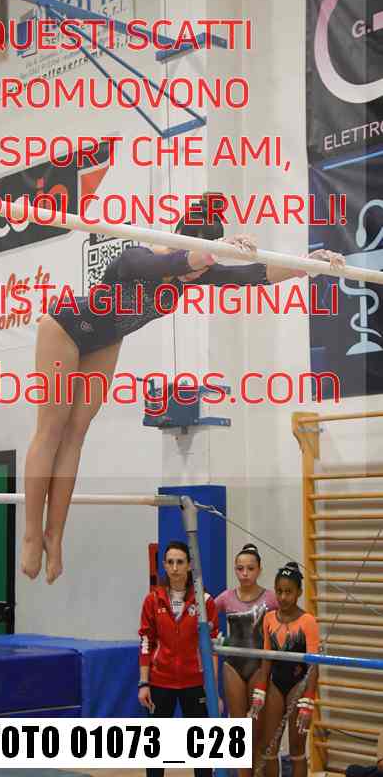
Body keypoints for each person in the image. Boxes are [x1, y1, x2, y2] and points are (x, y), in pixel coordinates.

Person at [22, 194, 346, 583]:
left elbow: (250, 276)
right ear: (182, 243)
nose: (196, 278)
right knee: (52, 429)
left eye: (200, 269)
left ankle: (55, 536)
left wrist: (307, 265)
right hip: (65, 327)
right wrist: (216, 250)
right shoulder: (139, 258)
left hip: (105, 341)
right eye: (198, 263)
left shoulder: (189, 271)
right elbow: (178, 262)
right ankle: (31, 534)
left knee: (76, 433)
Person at [137, 540, 220, 777]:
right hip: (160, 681)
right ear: (164, 565)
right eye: (170, 562)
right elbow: (146, 642)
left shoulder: (205, 601)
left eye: (180, 562)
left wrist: (212, 690)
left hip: (194, 683)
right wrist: (144, 683)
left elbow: (211, 648)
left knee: (201, 748)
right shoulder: (152, 600)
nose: (175, 568)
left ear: (189, 565)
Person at [248, 562, 320, 777]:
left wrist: (309, 700)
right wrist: (261, 688)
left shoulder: (308, 621)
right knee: (269, 746)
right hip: (275, 685)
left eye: (289, 592)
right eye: (279, 591)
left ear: (299, 592)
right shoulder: (269, 618)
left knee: (297, 749)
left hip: (299, 684)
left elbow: (313, 665)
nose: (283, 597)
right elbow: (267, 657)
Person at [215, 543, 278, 777]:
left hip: (259, 666)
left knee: (257, 730)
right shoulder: (226, 597)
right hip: (234, 665)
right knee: (240, 730)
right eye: (240, 569)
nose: (245, 574)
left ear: (259, 569)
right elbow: (205, 615)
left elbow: (291, 619)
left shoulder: (271, 598)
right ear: (235, 569)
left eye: (250, 569)